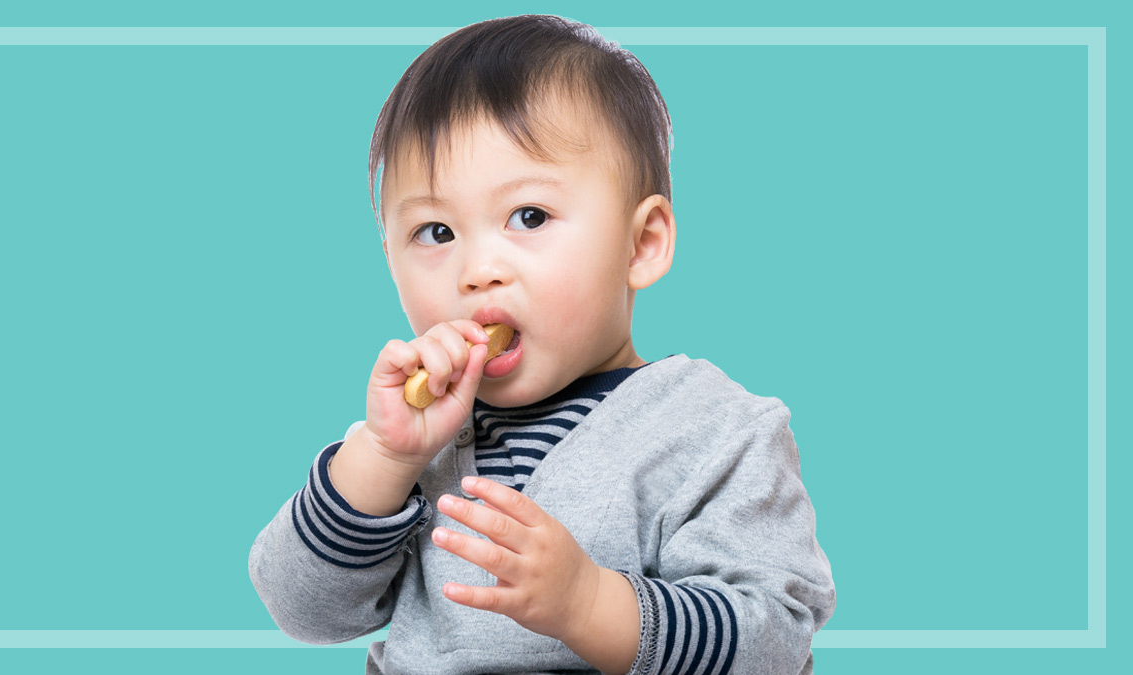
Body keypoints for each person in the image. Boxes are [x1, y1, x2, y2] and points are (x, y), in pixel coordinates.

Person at [249, 14, 835, 675]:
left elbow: (774, 642)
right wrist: (383, 458)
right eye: (436, 232)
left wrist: (589, 604)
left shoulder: (715, 431)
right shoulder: (417, 440)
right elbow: (301, 610)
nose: (477, 270)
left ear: (641, 243)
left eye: (528, 217)